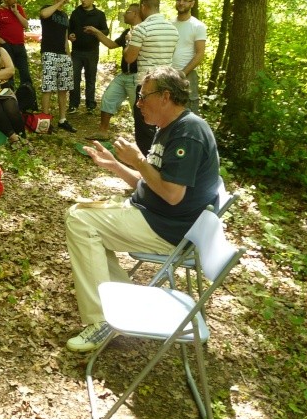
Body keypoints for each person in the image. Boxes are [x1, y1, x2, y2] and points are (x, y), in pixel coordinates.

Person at [64, 66, 221, 352]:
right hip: (154, 215)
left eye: (143, 96)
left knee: (80, 220)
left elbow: (172, 195)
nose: (138, 103)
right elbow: (152, 181)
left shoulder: (188, 132)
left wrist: (138, 160)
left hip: (169, 228)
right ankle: (121, 303)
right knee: (83, 217)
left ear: (164, 96)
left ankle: (102, 321)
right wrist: (115, 165)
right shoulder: (169, 128)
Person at [123, 0, 179, 155]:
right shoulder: (172, 29)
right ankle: (162, 159)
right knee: (162, 124)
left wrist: (129, 41)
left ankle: (149, 165)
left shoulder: (142, 29)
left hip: (147, 84)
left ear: (143, 6)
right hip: (166, 83)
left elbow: (130, 57)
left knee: (144, 126)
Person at [86, 3, 142, 141]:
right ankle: (102, 132)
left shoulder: (143, 31)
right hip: (124, 75)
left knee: (139, 110)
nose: (124, 14)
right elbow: (111, 45)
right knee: (108, 98)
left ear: (135, 13)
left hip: (137, 77)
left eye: (127, 12)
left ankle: (142, 140)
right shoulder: (126, 32)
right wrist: (97, 32)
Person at [39, 0, 76, 133]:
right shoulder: (48, 8)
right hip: (49, 53)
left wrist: (68, 55)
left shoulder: (65, 16)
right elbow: (44, 14)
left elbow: (65, 36)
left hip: (63, 55)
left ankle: (62, 119)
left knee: (63, 88)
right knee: (48, 87)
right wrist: (59, 3)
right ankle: (45, 120)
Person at [68, 0, 109, 114]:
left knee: (90, 78)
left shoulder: (99, 15)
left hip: (92, 51)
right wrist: (70, 35)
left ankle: (90, 104)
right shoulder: (76, 13)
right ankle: (73, 104)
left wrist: (95, 31)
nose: (83, 0)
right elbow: (69, 30)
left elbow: (106, 31)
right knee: (74, 78)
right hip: (77, 51)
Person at [0, 0, 32, 87]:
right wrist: (1, 41)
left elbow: (26, 25)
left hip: (20, 45)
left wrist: (16, 13)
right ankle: (10, 96)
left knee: (25, 73)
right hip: (6, 47)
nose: (15, 0)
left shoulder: (18, 9)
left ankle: (28, 95)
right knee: (8, 73)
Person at [172, 0, 207, 113]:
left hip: (188, 75)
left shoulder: (198, 26)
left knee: (188, 111)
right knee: (169, 109)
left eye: (185, 0)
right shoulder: (170, 24)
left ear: (192, 4)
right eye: (179, 0)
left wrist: (182, 73)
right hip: (169, 74)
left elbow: (200, 54)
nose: (181, 3)